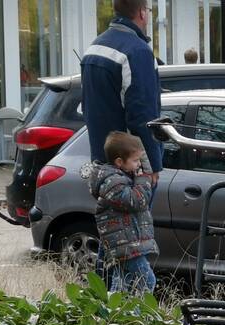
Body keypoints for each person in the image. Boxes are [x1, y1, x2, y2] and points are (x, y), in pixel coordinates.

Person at [81, 0, 162, 280]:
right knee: (130, 241)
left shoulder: (95, 47)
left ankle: (101, 301)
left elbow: (91, 107)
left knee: (113, 237)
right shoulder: (137, 51)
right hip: (128, 163)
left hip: (103, 161)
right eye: (149, 11)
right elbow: (143, 115)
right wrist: (149, 165)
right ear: (141, 12)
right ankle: (122, 310)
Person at [90, 132, 158, 295]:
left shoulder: (121, 177)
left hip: (127, 244)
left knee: (121, 285)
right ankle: (136, 314)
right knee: (147, 281)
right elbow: (137, 200)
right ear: (119, 162)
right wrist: (143, 178)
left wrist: (143, 167)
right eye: (135, 161)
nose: (138, 166)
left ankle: (114, 316)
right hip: (125, 245)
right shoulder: (113, 182)